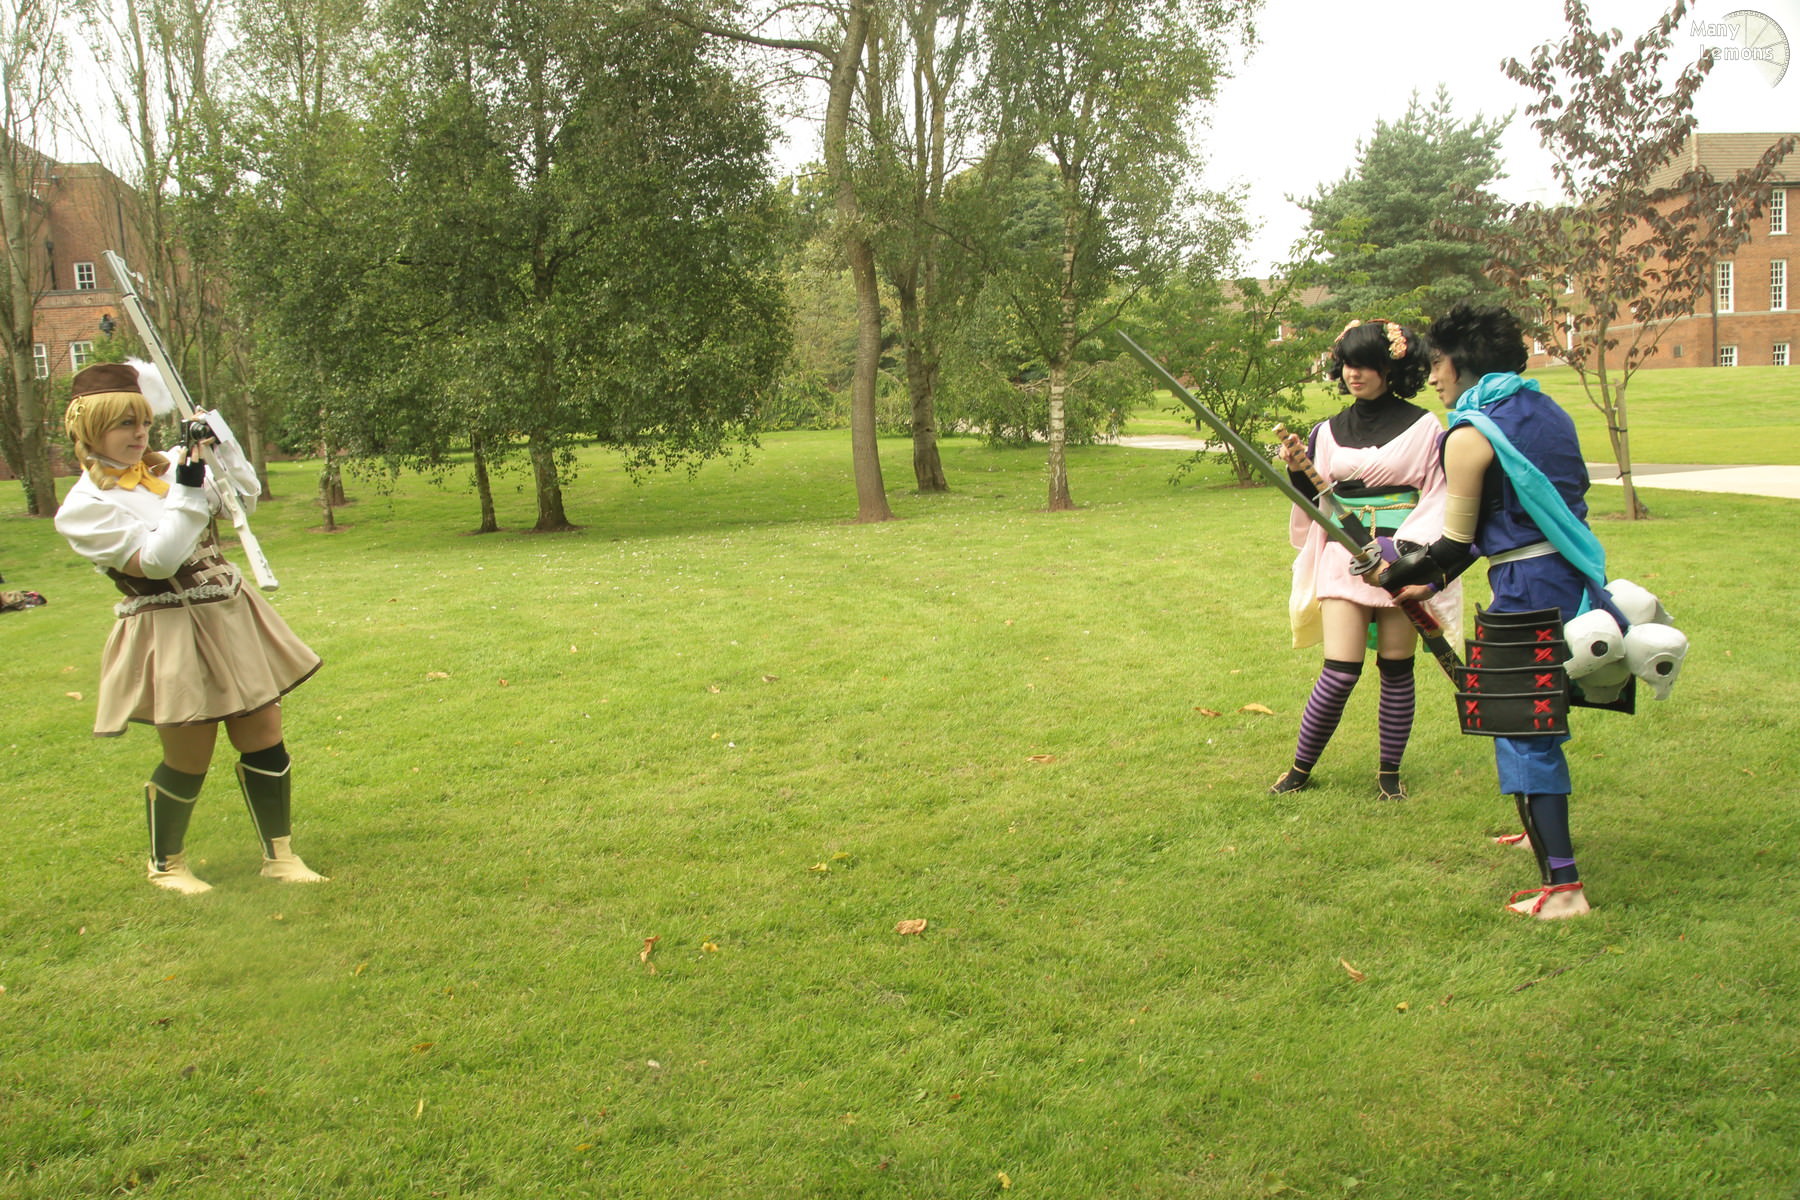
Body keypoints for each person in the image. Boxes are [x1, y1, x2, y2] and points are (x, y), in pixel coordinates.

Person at [55, 361, 326, 894]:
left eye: (144, 422)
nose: (139, 434)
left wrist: (221, 448)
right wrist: (186, 485)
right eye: (125, 424)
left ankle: (280, 857)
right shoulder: (84, 507)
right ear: (90, 429)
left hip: (229, 613)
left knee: (264, 732)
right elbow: (158, 561)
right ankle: (167, 865)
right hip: (169, 630)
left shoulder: (169, 468)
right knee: (190, 753)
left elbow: (243, 501)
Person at [1380, 303, 1613, 920]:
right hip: (1567, 579)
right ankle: (1538, 834)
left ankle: (1564, 889)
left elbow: (1455, 541)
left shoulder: (1469, 433)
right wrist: (1428, 585)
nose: (1434, 377)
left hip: (1526, 591)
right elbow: (1489, 532)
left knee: (1523, 727)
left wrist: (1397, 568)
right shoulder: (1546, 410)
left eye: (1438, 363)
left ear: (1462, 363)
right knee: (1525, 718)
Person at [1271, 318, 1460, 801]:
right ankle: (1299, 769)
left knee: (1396, 670)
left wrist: (1406, 554)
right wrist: (1297, 469)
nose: (1353, 374)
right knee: (1339, 671)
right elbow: (1315, 500)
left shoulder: (1424, 427)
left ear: (1390, 368)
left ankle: (1389, 775)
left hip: (1399, 559)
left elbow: (1439, 495)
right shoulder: (1326, 431)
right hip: (1344, 557)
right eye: (1347, 364)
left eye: (1365, 365)